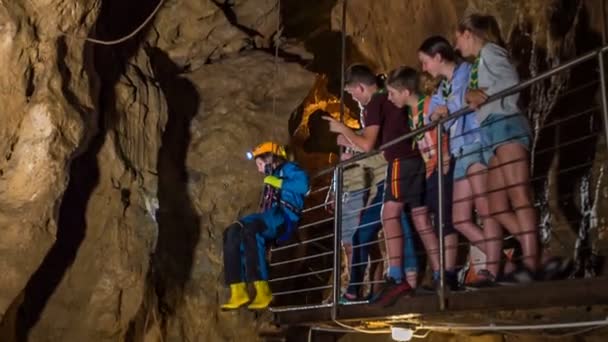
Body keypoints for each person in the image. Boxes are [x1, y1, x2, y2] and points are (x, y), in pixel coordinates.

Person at [324, 64, 431, 306]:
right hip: (409, 164)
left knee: (395, 219)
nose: (353, 99)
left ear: (361, 87)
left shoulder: (375, 104)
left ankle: (398, 278)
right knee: (410, 219)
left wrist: (344, 131)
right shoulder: (385, 103)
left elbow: (368, 145)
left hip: (398, 166)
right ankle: (426, 276)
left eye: (352, 94)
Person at [454, 14, 538, 277]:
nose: (456, 46)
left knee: (518, 195)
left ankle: (532, 264)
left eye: (458, 39)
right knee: (496, 206)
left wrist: (482, 94)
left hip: (506, 124)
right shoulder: (479, 61)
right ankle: (539, 255)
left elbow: (511, 81)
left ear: (468, 33)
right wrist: (471, 94)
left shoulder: (490, 51)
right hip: (492, 132)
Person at [418, 35, 504, 285]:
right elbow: (430, 119)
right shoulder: (444, 85)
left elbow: (465, 100)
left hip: (475, 142)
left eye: (425, 62)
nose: (424, 68)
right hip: (459, 148)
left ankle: (493, 268)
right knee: (460, 219)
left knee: (486, 209)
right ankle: (500, 260)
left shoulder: (467, 71)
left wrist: (445, 111)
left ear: (438, 57)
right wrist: (441, 112)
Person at [384, 66, 459, 290]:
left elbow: (440, 133)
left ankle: (446, 274)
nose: (389, 98)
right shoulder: (411, 113)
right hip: (429, 169)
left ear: (406, 91)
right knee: (424, 220)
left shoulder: (428, 105)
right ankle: (438, 272)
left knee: (443, 220)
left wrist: (444, 158)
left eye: (392, 93)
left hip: (440, 166)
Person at [221, 141, 309, 310]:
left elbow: (304, 185)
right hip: (269, 216)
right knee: (231, 232)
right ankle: (238, 291)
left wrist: (278, 183)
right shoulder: (272, 177)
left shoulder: (289, 168)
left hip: (284, 216)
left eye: (260, 164)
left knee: (252, 229)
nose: (260, 170)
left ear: (271, 158)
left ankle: (263, 291)